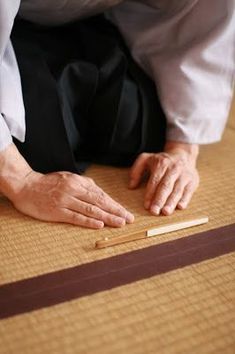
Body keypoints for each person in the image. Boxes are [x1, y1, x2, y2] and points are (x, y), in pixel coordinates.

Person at [0, 0, 234, 229]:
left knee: (137, 125)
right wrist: (21, 180)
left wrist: (182, 150)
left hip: (94, 20)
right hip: (12, 29)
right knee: (41, 147)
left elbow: (204, 12)